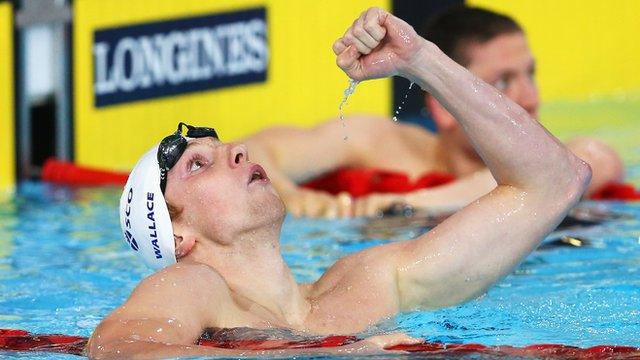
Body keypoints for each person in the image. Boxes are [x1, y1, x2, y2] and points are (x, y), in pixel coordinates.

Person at [87, 7, 591, 359]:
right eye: (199, 165)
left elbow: (556, 184)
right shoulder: (191, 284)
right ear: (176, 235)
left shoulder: (367, 280)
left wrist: (419, 61)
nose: (237, 151)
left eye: (225, 149)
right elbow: (119, 351)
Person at [243, 6, 621, 218]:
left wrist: (403, 207)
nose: (530, 97)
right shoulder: (387, 145)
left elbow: (588, 162)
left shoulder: (557, 158)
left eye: (530, 74)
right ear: (441, 105)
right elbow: (253, 152)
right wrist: (294, 199)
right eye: (504, 82)